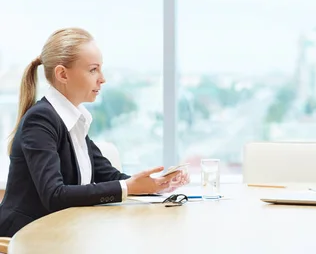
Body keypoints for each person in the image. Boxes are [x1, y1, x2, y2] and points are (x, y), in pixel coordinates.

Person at [0, 28, 189, 237]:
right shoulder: (41, 120)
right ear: (62, 74)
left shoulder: (74, 119)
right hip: (25, 237)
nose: (102, 79)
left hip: (63, 232)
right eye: (93, 70)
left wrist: (154, 185)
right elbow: (54, 195)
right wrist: (128, 187)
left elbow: (109, 176)